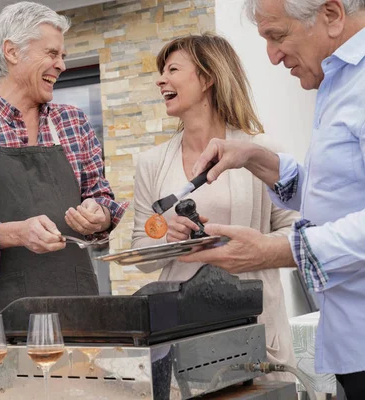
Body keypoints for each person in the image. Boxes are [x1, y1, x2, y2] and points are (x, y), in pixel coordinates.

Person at [181, 1, 365, 398]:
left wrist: (282, 251)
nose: (272, 56)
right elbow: (337, 191)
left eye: (277, 37)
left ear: (331, 15)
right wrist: (255, 158)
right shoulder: (338, 81)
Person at [0, 1, 127, 330]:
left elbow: (102, 196)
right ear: (12, 52)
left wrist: (98, 214)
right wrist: (14, 233)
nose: (61, 65)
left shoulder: (74, 123)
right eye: (52, 53)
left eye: (62, 55)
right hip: (0, 323)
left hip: (81, 314)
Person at [132, 33, 298, 381]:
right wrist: (167, 239)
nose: (161, 79)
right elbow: (141, 247)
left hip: (256, 329)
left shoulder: (259, 151)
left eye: (173, 69)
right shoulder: (151, 163)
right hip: (183, 333)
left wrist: (257, 247)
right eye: (161, 71)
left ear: (207, 78)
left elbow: (296, 230)